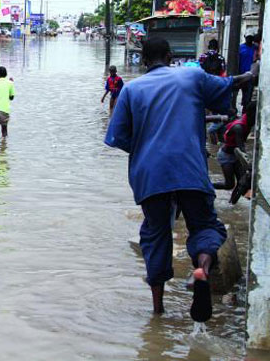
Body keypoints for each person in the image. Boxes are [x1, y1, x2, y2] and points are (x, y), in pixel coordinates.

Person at [105, 38, 254, 322]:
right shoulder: (192, 75)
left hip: (151, 176)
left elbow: (119, 138)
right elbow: (227, 86)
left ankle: (158, 311)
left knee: (155, 234)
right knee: (204, 226)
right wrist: (251, 74)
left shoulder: (131, 90)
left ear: (144, 59)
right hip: (190, 170)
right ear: (170, 55)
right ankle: (202, 269)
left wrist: (146, 146)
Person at [213, 101, 257, 191]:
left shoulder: (249, 121)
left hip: (235, 155)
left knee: (243, 184)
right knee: (229, 185)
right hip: (226, 156)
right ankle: (206, 187)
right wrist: (250, 166)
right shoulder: (239, 127)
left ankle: (232, 203)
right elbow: (241, 149)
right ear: (252, 114)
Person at [236, 32, 258, 108]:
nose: (249, 39)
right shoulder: (240, 48)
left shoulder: (255, 48)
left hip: (251, 75)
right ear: (245, 38)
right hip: (242, 74)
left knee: (248, 95)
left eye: (251, 38)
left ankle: (245, 111)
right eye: (248, 38)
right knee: (241, 92)